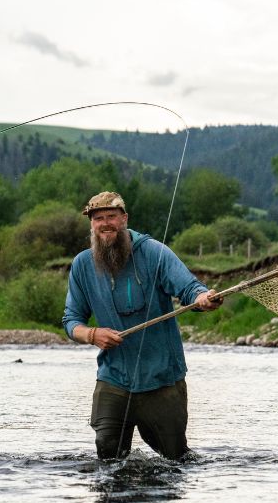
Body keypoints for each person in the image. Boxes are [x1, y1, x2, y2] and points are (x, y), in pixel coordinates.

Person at [62, 191, 222, 461]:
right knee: (107, 455)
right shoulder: (82, 265)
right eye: (98, 218)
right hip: (113, 378)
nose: (105, 223)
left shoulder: (154, 253)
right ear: (91, 224)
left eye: (111, 216)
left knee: (176, 458)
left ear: (124, 219)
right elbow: (70, 321)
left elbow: (190, 289)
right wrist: (92, 334)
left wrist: (203, 299)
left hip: (161, 378)